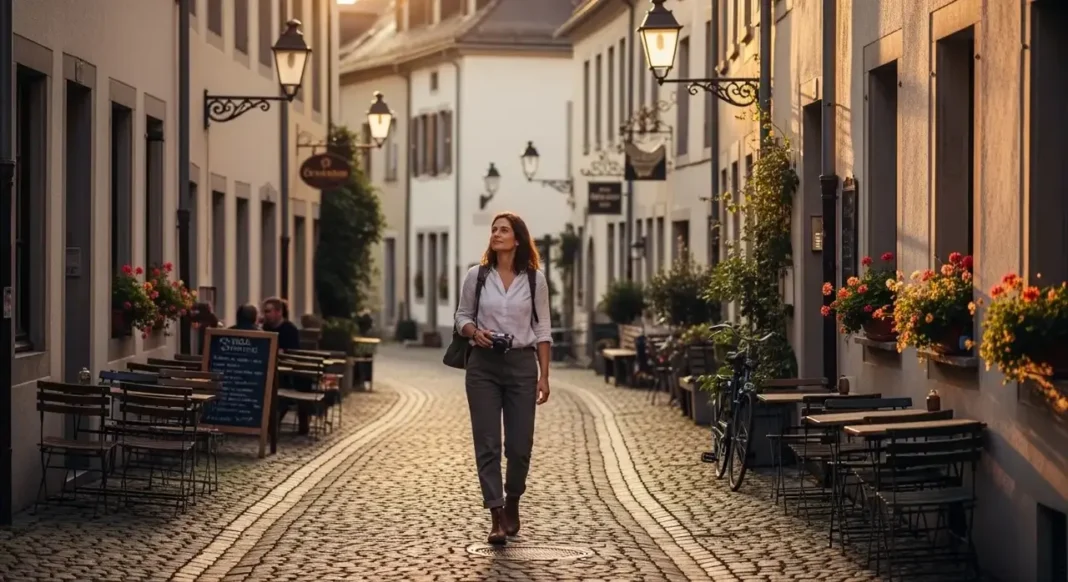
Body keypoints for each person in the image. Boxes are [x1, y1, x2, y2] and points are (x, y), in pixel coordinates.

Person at [454, 211, 552, 545]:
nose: (496, 234)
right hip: (483, 365)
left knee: (520, 445)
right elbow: (462, 316)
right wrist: (473, 332)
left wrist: (544, 376)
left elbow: (542, 330)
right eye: (494, 229)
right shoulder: (477, 276)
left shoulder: (536, 280)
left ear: (518, 238)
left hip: (523, 366)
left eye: (504, 230)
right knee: (488, 444)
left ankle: (513, 500)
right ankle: (495, 515)